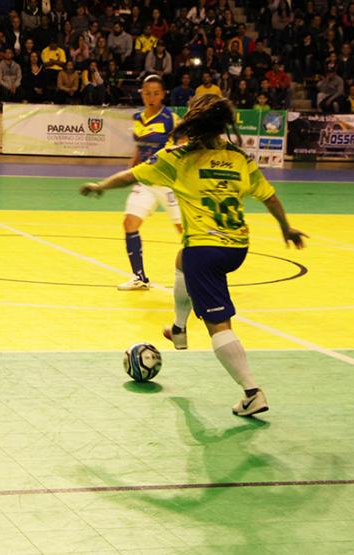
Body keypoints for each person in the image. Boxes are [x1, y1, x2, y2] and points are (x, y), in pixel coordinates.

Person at [80, 94, 305, 416]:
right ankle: (179, 328)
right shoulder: (240, 158)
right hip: (237, 247)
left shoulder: (179, 157)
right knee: (181, 259)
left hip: (206, 249)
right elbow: (270, 198)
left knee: (219, 326)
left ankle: (252, 392)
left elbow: (132, 176)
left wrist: (102, 184)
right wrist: (287, 228)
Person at [117, 74, 182, 290]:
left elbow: (185, 144)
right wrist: (131, 170)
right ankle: (139, 278)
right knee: (129, 223)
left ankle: (205, 274)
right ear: (141, 94)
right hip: (144, 180)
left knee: (186, 231)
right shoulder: (137, 117)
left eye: (155, 93)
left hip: (168, 183)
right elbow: (139, 147)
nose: (151, 97)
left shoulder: (171, 118)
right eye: (146, 93)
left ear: (163, 95)